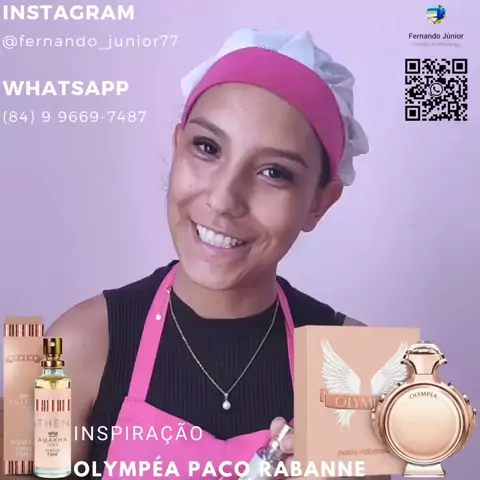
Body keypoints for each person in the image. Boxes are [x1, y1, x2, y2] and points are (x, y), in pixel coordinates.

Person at [47, 29, 388, 479]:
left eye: (274, 172)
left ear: (318, 203)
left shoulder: (358, 365)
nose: (224, 200)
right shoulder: (72, 345)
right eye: (207, 148)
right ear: (177, 149)